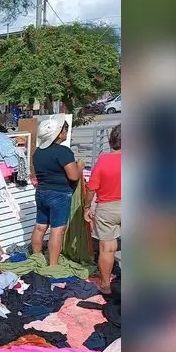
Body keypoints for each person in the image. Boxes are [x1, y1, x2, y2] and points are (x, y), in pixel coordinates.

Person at [31, 116, 82, 266]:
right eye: (65, 129)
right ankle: (53, 266)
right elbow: (73, 176)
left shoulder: (38, 152)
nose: (66, 131)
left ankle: (36, 258)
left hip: (41, 192)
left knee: (40, 227)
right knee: (57, 231)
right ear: (59, 133)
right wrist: (80, 166)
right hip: (59, 194)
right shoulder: (63, 152)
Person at [85, 124, 121, 293]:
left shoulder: (104, 159)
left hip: (107, 208)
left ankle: (106, 286)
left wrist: (87, 206)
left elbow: (91, 187)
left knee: (107, 249)